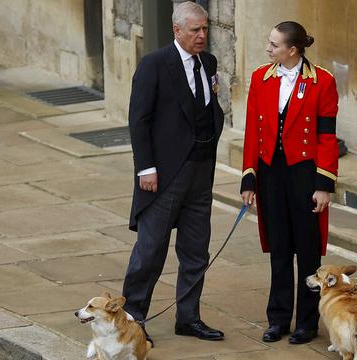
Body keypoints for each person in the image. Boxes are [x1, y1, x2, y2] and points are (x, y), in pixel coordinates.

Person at [123, 1, 225, 343]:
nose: (202, 36)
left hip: (200, 171)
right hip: (164, 174)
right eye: (195, 30)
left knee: (196, 250)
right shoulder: (154, 64)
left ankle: (189, 317)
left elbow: (210, 110)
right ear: (177, 30)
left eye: (205, 29)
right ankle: (132, 319)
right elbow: (139, 120)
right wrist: (146, 169)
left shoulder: (208, 62)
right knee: (150, 250)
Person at [240, 21, 339, 345]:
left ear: (292, 50)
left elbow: (326, 136)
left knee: (308, 252)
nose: (268, 49)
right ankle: (278, 319)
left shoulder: (322, 81)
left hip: (304, 175)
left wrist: (324, 184)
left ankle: (307, 323)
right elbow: (252, 133)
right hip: (271, 174)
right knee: (279, 248)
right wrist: (249, 178)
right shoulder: (260, 78)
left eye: (274, 45)